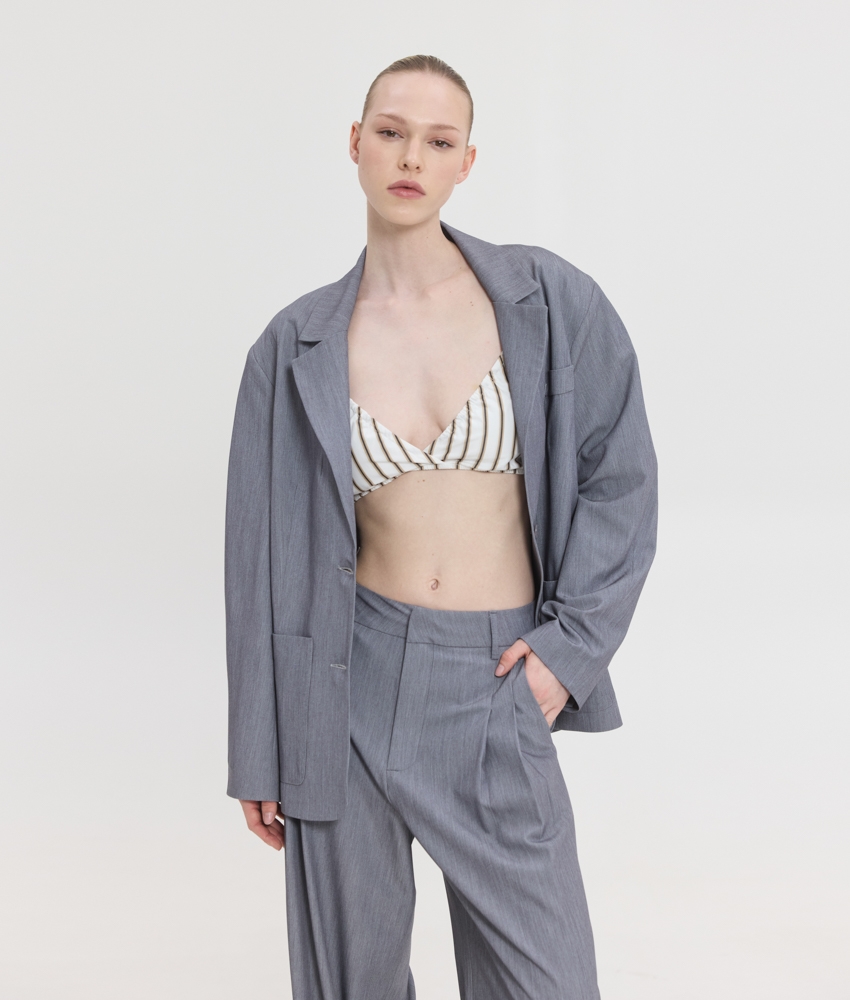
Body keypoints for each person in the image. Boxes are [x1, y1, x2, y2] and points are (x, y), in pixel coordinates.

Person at [224, 54, 658, 1000]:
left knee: (548, 981)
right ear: (355, 143)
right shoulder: (294, 345)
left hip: (495, 681)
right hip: (341, 689)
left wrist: (566, 656)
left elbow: (620, 479)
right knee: (351, 982)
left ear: (467, 161)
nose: (411, 157)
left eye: (438, 139)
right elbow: (256, 558)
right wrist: (260, 744)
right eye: (390, 132)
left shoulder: (549, 301)